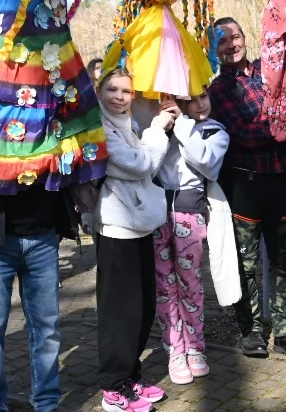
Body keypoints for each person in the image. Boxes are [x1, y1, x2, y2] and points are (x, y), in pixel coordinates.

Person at [206, 18, 286, 359]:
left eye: (235, 36)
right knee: (246, 264)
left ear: (245, 38)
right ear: (214, 48)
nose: (231, 44)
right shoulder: (217, 91)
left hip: (280, 181)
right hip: (245, 187)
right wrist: (282, 122)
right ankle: (250, 331)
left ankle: (284, 331)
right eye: (222, 40)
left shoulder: (270, 74)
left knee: (284, 258)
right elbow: (243, 135)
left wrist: (284, 120)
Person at [92, 67, 174, 412]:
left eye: (126, 91)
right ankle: (113, 388)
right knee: (119, 312)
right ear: (99, 90)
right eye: (112, 89)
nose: (119, 97)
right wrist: (158, 130)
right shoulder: (98, 128)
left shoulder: (127, 122)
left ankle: (131, 376)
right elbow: (140, 164)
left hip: (140, 224)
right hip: (116, 228)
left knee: (142, 308)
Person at [153, 90, 241, 385]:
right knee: (164, 286)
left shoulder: (214, 132)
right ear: (180, 102)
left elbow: (205, 161)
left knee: (190, 283)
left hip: (190, 214)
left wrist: (182, 126)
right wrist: (161, 126)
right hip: (157, 213)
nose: (201, 103)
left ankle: (195, 348)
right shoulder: (163, 124)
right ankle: (175, 350)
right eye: (193, 99)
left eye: (204, 96)